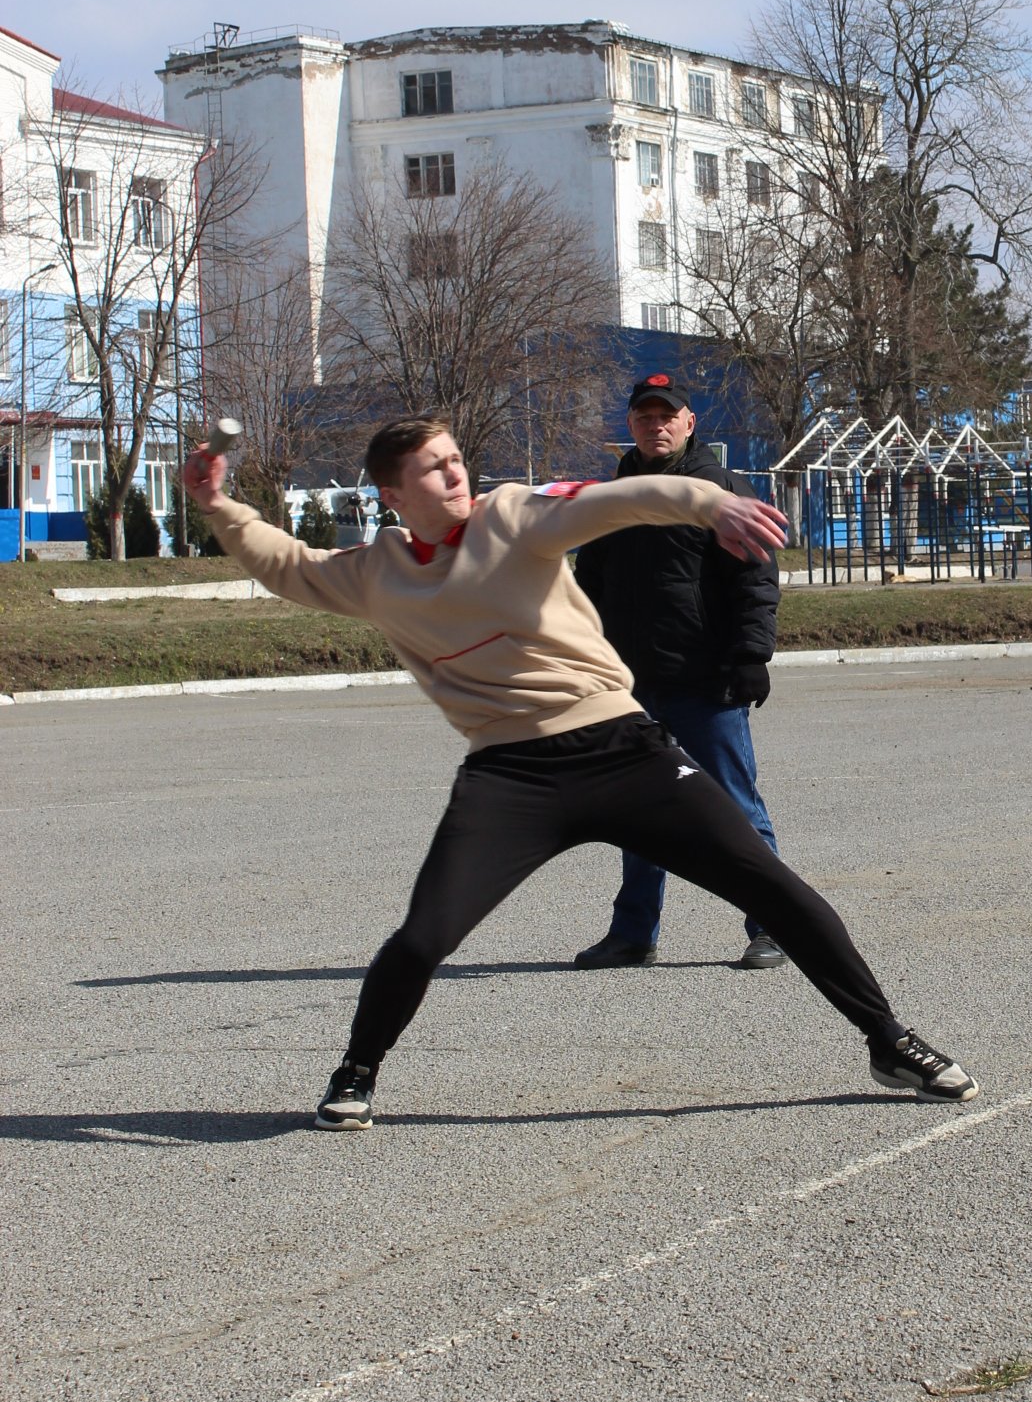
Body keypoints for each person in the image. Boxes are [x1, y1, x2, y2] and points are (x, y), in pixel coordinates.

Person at [181, 416, 979, 1129]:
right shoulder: (376, 570)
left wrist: (708, 502)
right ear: (393, 491)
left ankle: (888, 1041)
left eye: (457, 458)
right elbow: (287, 564)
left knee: (776, 888)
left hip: (623, 748)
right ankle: (357, 1071)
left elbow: (615, 502)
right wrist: (220, 508)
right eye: (434, 467)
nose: (456, 473)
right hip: (510, 776)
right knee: (424, 935)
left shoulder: (514, 515)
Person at [572, 373, 784, 972]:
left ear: (690, 422)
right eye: (644, 415)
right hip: (630, 686)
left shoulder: (720, 491)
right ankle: (633, 933)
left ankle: (773, 924)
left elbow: (754, 580)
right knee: (639, 814)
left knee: (734, 809)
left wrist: (750, 657)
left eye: (668, 415)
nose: (655, 424)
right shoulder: (612, 497)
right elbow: (588, 590)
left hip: (705, 681)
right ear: (631, 424)